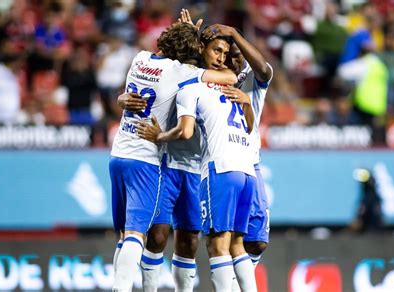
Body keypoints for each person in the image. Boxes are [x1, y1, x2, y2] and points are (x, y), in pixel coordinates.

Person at [109, 22, 237, 291]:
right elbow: (230, 77)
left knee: (136, 236)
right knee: (147, 235)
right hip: (156, 160)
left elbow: (130, 91)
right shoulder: (184, 73)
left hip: (127, 152)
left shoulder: (140, 58)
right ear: (195, 50)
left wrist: (122, 99)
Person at [138, 56, 257, 291]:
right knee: (158, 236)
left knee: (189, 240)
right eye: (215, 51)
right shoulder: (182, 75)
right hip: (168, 164)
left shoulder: (223, 84)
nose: (220, 58)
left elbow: (242, 74)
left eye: (224, 53)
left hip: (197, 169)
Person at [202, 23, 273, 275]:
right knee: (223, 239)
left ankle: (235, 283)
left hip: (249, 163)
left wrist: (233, 33)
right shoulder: (208, 76)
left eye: (236, 56)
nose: (229, 61)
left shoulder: (252, 78)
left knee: (255, 241)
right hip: (219, 162)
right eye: (224, 55)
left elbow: (264, 69)